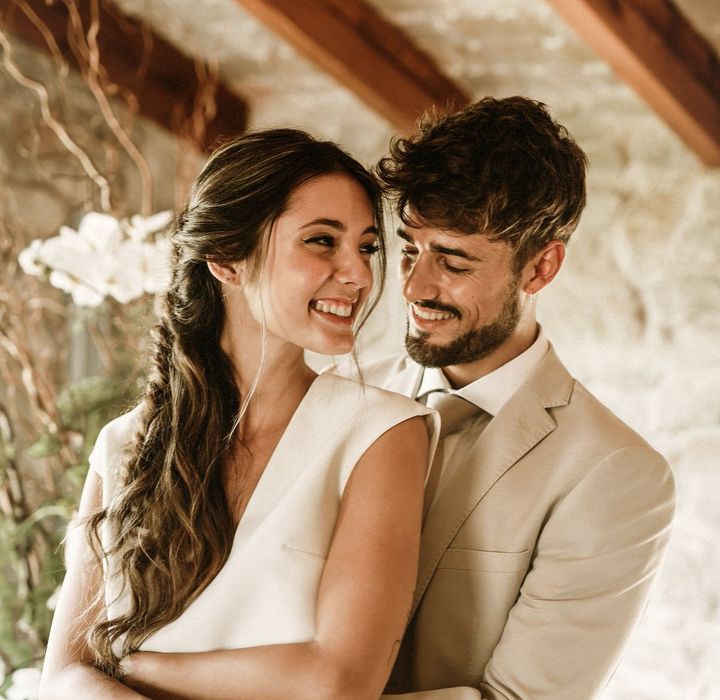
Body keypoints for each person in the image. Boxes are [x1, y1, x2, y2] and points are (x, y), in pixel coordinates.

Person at [40, 128, 436, 699]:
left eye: (368, 246)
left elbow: (339, 682)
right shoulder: (125, 445)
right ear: (226, 257)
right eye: (323, 241)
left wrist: (127, 664)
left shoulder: (382, 434)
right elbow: (62, 677)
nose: (358, 274)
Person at [338, 97, 675, 699]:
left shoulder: (616, 475)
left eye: (454, 260)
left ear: (540, 268)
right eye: (410, 247)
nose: (414, 285)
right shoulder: (340, 392)